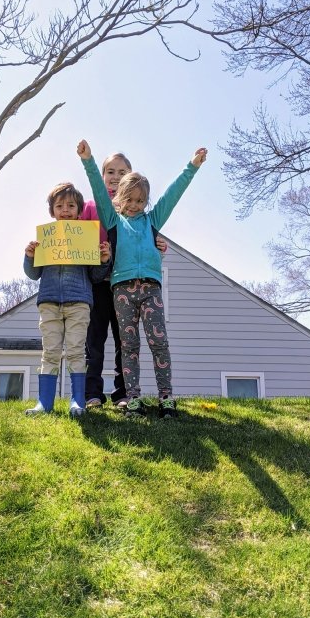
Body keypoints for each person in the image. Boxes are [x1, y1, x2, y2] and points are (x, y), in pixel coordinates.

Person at [77, 140, 207, 419]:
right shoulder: (112, 221)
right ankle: (132, 398)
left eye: (140, 201)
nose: (134, 206)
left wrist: (192, 167)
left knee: (159, 342)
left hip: (151, 289)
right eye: (129, 200)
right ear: (119, 198)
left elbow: (173, 195)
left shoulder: (152, 220)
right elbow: (98, 189)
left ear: (146, 201)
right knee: (129, 345)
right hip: (121, 290)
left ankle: (166, 398)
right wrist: (88, 161)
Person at [80, 152, 167, 410]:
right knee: (94, 340)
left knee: (124, 341)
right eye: (111, 172)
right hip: (98, 280)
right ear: (103, 175)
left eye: (122, 172)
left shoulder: (134, 208)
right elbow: (77, 238)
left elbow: (144, 236)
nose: (115, 177)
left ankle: (122, 393)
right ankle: (92, 393)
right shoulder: (93, 206)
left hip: (124, 283)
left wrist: (158, 242)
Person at [23, 182, 111, 417]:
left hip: (79, 303)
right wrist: (29, 256)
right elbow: (33, 275)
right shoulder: (45, 239)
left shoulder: (86, 238)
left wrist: (103, 260)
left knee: (75, 352)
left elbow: (95, 276)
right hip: (49, 302)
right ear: (52, 211)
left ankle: (77, 401)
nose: (65, 210)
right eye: (59, 206)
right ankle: (44, 403)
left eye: (71, 205)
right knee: (50, 351)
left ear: (79, 211)